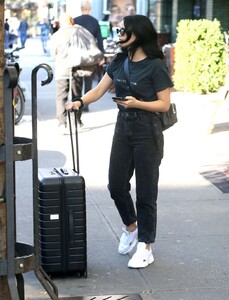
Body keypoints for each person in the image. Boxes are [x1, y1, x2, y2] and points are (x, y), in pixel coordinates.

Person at [65, 15, 173, 268]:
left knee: (146, 192)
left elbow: (164, 104)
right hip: (123, 127)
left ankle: (146, 246)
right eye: (120, 29)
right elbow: (100, 89)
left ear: (139, 34)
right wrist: (79, 102)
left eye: (124, 30)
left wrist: (137, 104)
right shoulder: (120, 61)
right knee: (115, 185)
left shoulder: (156, 66)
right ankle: (131, 227)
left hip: (148, 130)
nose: (120, 33)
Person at [50, 14, 84, 134]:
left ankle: (62, 123)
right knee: (77, 95)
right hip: (77, 69)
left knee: (61, 97)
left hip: (62, 69)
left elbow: (53, 55)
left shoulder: (56, 35)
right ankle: (77, 121)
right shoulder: (79, 32)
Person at [73, 0, 105, 112]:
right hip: (90, 56)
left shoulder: (75, 21)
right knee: (88, 80)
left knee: (77, 81)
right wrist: (102, 56)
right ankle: (86, 104)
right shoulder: (95, 22)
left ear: (81, 9)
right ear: (89, 9)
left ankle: (77, 102)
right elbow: (100, 40)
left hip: (77, 56)